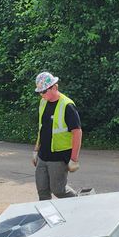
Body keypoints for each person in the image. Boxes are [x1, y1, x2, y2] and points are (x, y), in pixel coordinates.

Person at [33, 71, 83, 200]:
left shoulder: (67, 106)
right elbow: (42, 128)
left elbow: (77, 133)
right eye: (40, 92)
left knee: (59, 190)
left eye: (44, 91)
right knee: (42, 191)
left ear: (54, 87)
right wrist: (36, 150)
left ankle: (81, 204)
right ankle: (48, 218)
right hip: (43, 156)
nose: (41, 95)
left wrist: (74, 159)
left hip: (58, 157)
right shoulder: (43, 103)